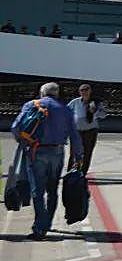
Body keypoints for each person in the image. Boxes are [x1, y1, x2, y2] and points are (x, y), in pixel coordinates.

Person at [11, 82, 82, 239]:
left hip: (36, 151)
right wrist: (78, 156)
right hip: (57, 151)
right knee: (52, 189)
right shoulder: (66, 110)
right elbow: (74, 135)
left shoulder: (31, 105)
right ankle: (47, 223)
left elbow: (16, 127)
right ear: (57, 94)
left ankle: (39, 227)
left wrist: (23, 142)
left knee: (37, 190)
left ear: (42, 93)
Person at [68, 83, 107, 174]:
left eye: (86, 90)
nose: (84, 92)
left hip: (90, 131)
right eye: (82, 90)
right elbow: (67, 111)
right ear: (79, 92)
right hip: (77, 130)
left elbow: (104, 115)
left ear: (90, 91)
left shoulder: (96, 102)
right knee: (74, 151)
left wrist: (95, 112)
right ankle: (71, 171)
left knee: (87, 152)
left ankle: (83, 171)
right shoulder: (75, 102)